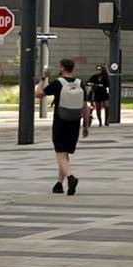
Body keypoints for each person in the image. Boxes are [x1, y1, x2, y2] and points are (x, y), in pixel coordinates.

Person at [39, 58, 89, 194]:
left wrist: (42, 79)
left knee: (60, 152)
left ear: (62, 68)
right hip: (75, 122)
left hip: (61, 122)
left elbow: (38, 94)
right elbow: (85, 106)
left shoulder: (58, 83)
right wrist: (86, 125)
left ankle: (70, 177)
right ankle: (59, 184)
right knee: (64, 153)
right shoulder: (80, 83)